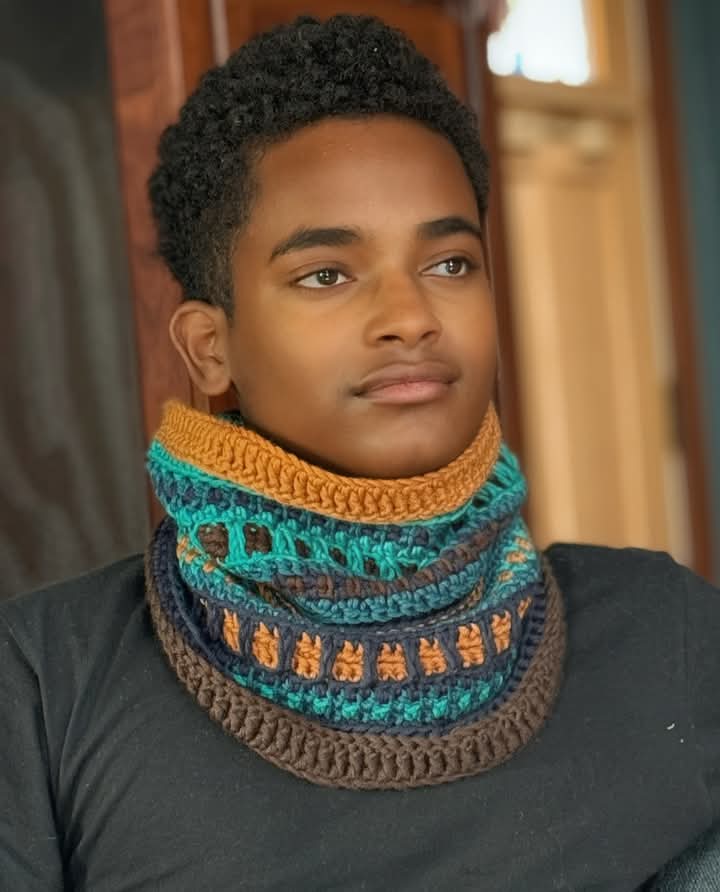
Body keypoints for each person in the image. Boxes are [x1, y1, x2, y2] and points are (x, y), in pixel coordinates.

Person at [1, 14, 718, 891]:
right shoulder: (45, 682)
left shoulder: (668, 631)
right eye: (327, 275)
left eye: (450, 263)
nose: (411, 317)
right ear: (210, 349)